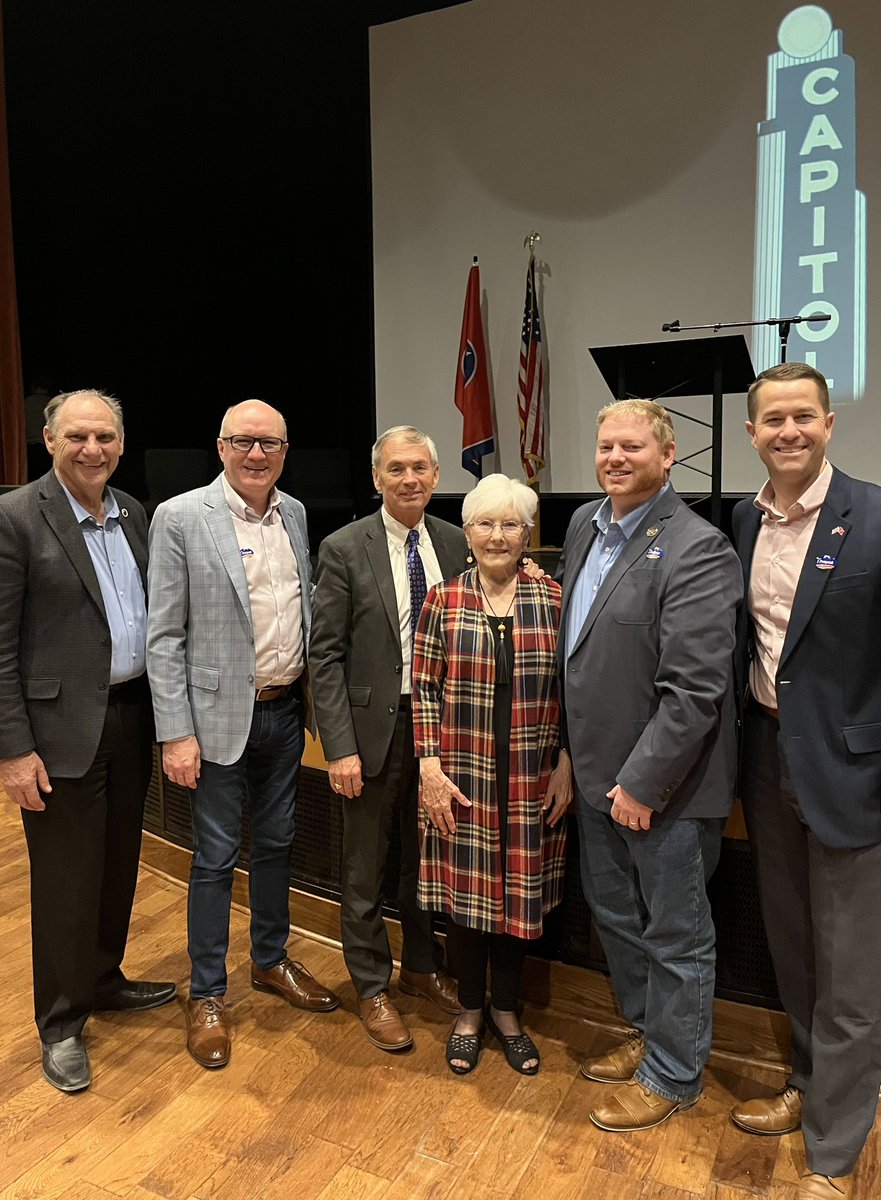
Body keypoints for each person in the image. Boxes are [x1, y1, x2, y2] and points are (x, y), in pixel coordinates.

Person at [553, 398, 742, 1131]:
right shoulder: (581, 525)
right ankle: (645, 1031)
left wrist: (641, 782)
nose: (615, 458)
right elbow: (581, 657)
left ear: (668, 458)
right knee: (616, 919)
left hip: (663, 790)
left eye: (632, 447)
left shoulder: (697, 547)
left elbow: (695, 689)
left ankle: (673, 1073)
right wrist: (572, 759)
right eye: (605, 446)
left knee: (675, 936)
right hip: (596, 778)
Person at [147, 400, 338, 1071]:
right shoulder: (180, 517)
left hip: (284, 714)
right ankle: (205, 994)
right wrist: (175, 733)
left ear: (285, 451)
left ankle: (268, 961)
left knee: (280, 844)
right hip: (214, 723)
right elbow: (164, 635)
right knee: (216, 856)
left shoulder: (296, 514)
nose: (256, 454)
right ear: (220, 446)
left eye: (270, 444)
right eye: (243, 441)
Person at [728, 362, 881, 1200]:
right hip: (768, 758)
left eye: (802, 417)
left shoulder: (876, 516)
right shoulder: (744, 525)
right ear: (750, 434)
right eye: (771, 420)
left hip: (853, 772)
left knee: (852, 971)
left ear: (828, 424)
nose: (787, 432)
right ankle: (809, 1081)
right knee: (792, 947)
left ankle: (833, 1149)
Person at [0, 389, 176, 1094]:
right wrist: (12, 749)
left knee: (116, 864)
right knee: (66, 879)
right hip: (57, 731)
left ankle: (104, 978)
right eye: (77, 436)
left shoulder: (133, 512)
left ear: (122, 443)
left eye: (104, 436)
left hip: (131, 717)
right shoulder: (15, 517)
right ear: (50, 439)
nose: (92, 449)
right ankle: (63, 1021)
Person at [309, 426, 466, 1051]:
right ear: (377, 478)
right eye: (396, 469)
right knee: (365, 868)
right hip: (371, 732)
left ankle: (422, 969)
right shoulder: (345, 547)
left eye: (421, 468)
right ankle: (371, 985)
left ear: (435, 475)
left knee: (426, 862)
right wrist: (339, 747)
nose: (410, 479)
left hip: (440, 729)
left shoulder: (456, 543)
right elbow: (325, 657)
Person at [413, 474, 570, 1076]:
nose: (497, 536)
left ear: (528, 533)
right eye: (485, 523)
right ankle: (470, 1013)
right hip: (462, 776)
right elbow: (424, 690)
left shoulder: (553, 598)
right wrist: (428, 764)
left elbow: (572, 690)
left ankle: (508, 1013)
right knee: (467, 904)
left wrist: (568, 762)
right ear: (468, 531)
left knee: (517, 900)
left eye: (510, 525)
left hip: (532, 776)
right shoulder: (443, 599)